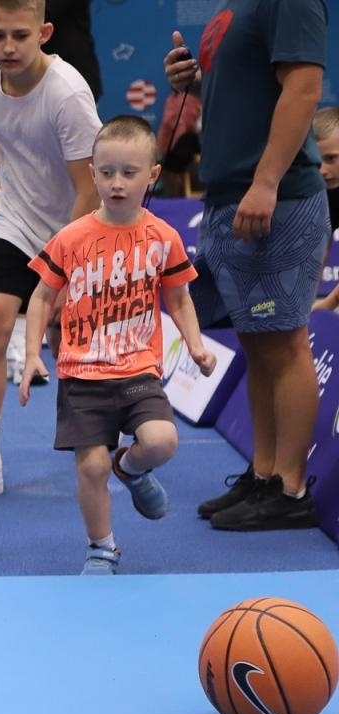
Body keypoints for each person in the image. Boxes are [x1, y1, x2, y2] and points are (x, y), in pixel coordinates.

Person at [18, 117, 217, 574]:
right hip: (82, 375)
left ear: (153, 175)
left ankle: (130, 467)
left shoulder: (163, 237)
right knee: (90, 468)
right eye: (106, 172)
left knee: (162, 441)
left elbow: (179, 298)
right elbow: (43, 296)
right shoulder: (72, 238)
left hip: (138, 369)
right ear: (92, 173)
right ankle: (102, 548)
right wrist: (32, 355)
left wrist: (196, 344)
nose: (117, 183)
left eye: (129, 172)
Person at [165, 1, 326, 531]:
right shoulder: (234, 6)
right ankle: (263, 475)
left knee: (284, 340)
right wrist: (191, 76)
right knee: (257, 343)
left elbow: (303, 88)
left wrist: (267, 182)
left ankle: (290, 488)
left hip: (277, 199)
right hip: (229, 195)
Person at [0, 0, 99, 505]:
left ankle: (100, 450)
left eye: (20, 37)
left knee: (75, 345)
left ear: (44, 32)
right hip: (16, 221)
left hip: (76, 224)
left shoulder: (68, 94)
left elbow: (88, 189)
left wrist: (61, 266)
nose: (8, 47)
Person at [312, 107, 338, 314]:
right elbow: (320, 249)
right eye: (316, 160)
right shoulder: (314, 191)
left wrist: (328, 304)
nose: (322, 169)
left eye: (331, 159)